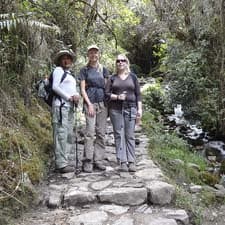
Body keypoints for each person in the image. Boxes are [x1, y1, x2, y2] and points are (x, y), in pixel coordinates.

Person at [105, 54, 142, 172]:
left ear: (127, 63)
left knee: (130, 135)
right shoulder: (112, 78)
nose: (120, 62)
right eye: (118, 61)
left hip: (131, 108)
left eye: (123, 60)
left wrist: (140, 109)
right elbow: (106, 94)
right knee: (119, 135)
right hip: (116, 110)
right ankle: (122, 161)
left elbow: (138, 94)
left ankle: (131, 161)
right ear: (116, 63)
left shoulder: (133, 77)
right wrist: (117, 97)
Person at [79, 45, 109, 173]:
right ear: (88, 55)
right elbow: (82, 89)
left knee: (101, 134)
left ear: (99, 54)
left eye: (95, 53)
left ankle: (99, 160)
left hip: (102, 104)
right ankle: (87, 161)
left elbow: (107, 88)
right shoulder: (84, 70)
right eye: (91, 53)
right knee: (90, 133)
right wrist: (89, 104)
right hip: (90, 104)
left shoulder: (104, 70)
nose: (93, 55)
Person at [52, 49, 80, 173]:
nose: (66, 60)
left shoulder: (69, 74)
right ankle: (61, 164)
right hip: (61, 106)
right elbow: (55, 87)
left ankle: (65, 160)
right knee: (61, 134)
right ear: (59, 60)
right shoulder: (58, 70)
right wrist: (69, 98)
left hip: (69, 107)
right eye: (63, 58)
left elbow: (71, 90)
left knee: (68, 134)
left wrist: (76, 97)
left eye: (68, 58)